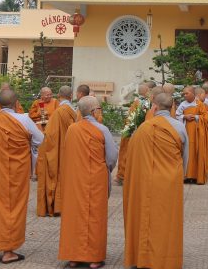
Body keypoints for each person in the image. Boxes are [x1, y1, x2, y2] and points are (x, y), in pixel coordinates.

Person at [0, 89, 43, 264]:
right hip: (15, 174)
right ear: (16, 104)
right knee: (12, 208)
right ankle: (8, 252)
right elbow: (40, 139)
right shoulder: (23, 119)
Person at [123, 93, 188, 269]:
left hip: (145, 181)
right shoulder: (179, 128)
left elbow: (132, 158)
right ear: (173, 106)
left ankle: (143, 258)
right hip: (169, 181)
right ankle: (166, 260)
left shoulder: (144, 128)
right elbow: (185, 158)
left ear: (154, 107)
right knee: (167, 220)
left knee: (145, 217)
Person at [58, 96, 119, 269]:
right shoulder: (102, 129)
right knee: (94, 217)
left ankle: (74, 257)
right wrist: (106, 168)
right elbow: (112, 157)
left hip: (75, 179)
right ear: (94, 111)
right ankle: (94, 259)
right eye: (100, 109)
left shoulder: (72, 129)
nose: (101, 112)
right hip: (96, 180)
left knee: (75, 216)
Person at [36, 85, 79, 217]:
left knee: (56, 176)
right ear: (71, 96)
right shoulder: (75, 111)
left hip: (58, 150)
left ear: (58, 96)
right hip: (71, 149)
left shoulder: (59, 111)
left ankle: (56, 205)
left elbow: (50, 136)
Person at [115, 82, 151, 186]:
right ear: (147, 91)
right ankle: (128, 176)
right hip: (136, 132)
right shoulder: (145, 103)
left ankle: (122, 175)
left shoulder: (137, 102)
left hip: (128, 131)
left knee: (126, 153)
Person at [176, 87, 208, 184]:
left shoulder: (199, 104)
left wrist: (196, 117)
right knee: (187, 153)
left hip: (198, 133)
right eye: (184, 94)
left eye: (187, 93)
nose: (185, 95)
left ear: (193, 93)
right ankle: (186, 176)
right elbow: (177, 115)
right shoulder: (182, 104)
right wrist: (184, 117)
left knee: (196, 152)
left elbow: (206, 117)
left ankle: (196, 176)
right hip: (186, 132)